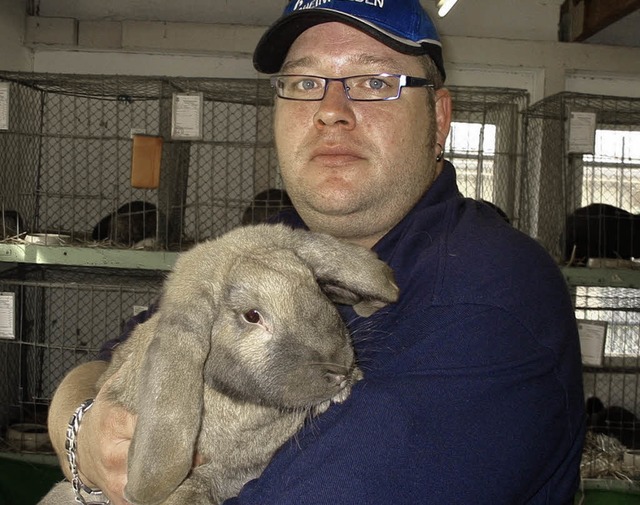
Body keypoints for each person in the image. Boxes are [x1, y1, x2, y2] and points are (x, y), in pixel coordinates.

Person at [47, 0, 585, 503]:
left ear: (439, 119)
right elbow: (108, 360)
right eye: (306, 81)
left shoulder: (488, 295)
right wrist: (82, 431)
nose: (331, 111)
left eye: (375, 81)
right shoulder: (271, 245)